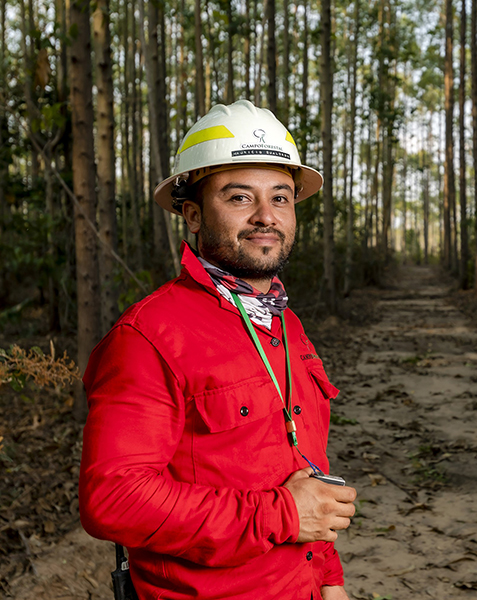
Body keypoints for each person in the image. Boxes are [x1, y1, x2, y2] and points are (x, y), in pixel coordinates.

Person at [79, 100, 357, 600]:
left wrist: (329, 580)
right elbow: (113, 499)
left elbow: (302, 472)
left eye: (281, 197)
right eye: (238, 198)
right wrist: (281, 515)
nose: (266, 217)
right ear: (192, 214)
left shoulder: (285, 324)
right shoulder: (148, 336)